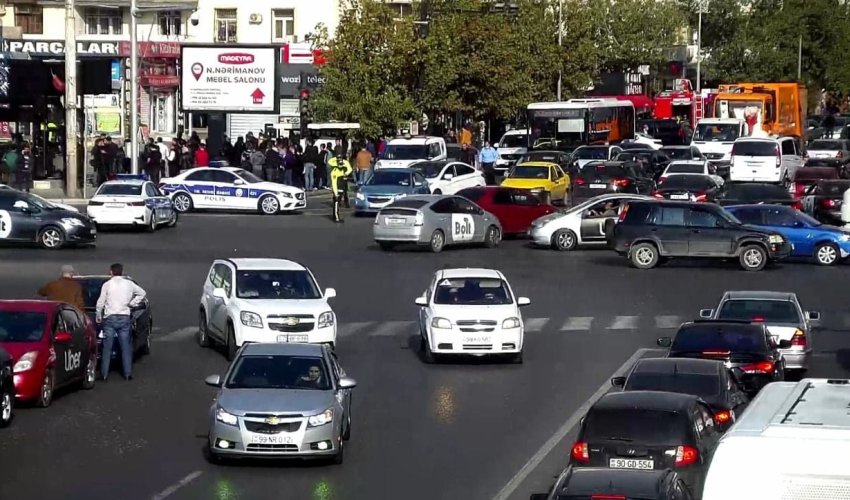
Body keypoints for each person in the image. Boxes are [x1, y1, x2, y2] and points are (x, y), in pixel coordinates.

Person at [95, 263, 146, 381]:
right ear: (121, 272)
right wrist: (132, 303)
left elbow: (100, 302)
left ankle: (104, 374)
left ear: (111, 272)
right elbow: (142, 293)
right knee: (125, 346)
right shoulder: (128, 284)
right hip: (124, 317)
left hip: (110, 317)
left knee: (107, 346)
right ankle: (127, 373)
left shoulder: (107, 285)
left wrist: (98, 315)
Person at [328, 155, 353, 222]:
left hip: (342, 187)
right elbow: (334, 183)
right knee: (336, 202)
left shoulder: (344, 169)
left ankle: (337, 216)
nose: (341, 166)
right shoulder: (334, 172)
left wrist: (346, 173)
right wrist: (336, 193)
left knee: (338, 202)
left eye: (342, 164)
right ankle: (336, 218)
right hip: (337, 188)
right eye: (340, 164)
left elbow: (349, 169)